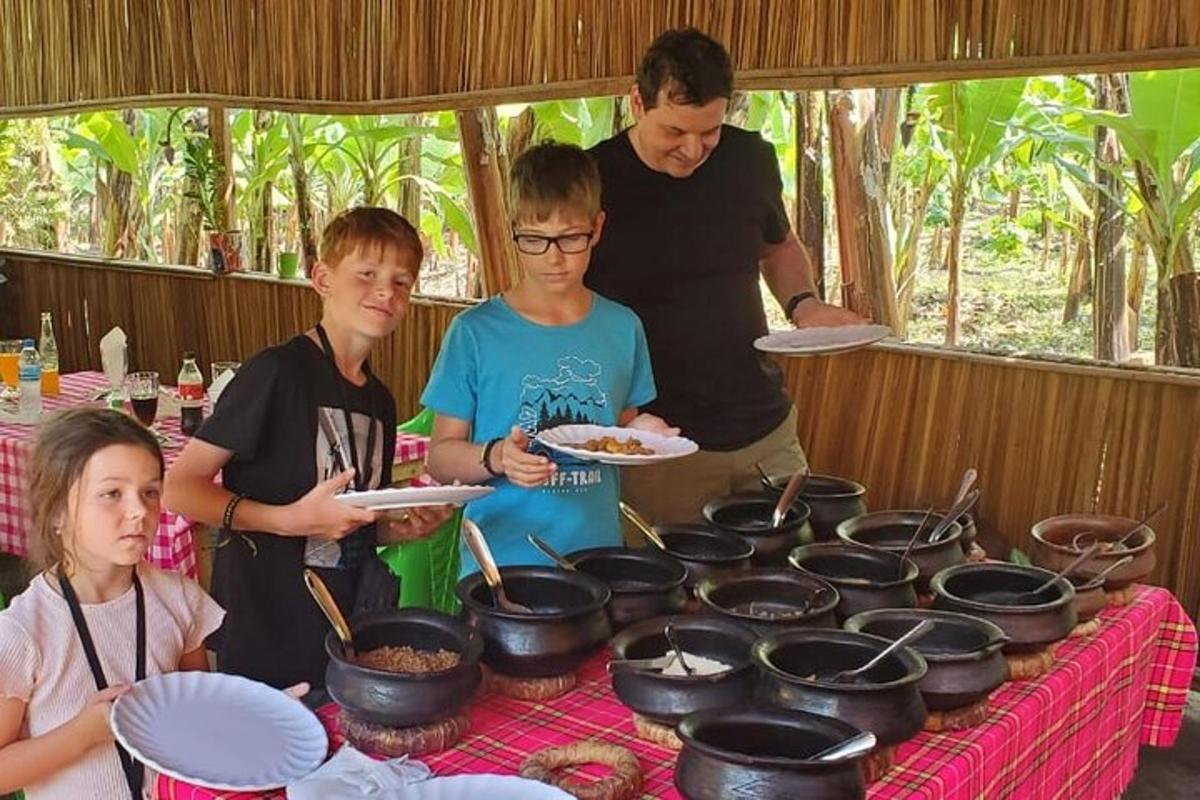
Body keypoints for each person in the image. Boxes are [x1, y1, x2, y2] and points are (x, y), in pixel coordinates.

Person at [586, 28, 866, 527]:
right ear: (636, 102)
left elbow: (777, 244)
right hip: (658, 443)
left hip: (765, 429)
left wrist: (804, 304)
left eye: (708, 131)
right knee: (675, 592)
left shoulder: (748, 160)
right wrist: (622, 418)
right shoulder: (592, 181)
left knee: (790, 576)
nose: (693, 149)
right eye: (674, 131)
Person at [164, 207, 450, 690]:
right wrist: (287, 520)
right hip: (266, 627)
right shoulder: (276, 373)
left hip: (347, 626)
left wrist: (401, 529)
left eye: (402, 282)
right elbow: (179, 489)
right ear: (322, 278)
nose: (386, 291)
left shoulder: (380, 400)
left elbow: (348, 526)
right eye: (367, 274)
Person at [423, 142, 675, 572]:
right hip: (500, 564)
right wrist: (497, 456)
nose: (553, 257)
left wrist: (648, 433)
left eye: (571, 238)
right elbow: (441, 459)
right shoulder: (475, 332)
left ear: (597, 228)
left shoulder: (623, 327)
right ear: (513, 231)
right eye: (535, 240)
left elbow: (623, 425)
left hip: (598, 558)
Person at [0, 409, 224, 799]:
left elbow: (198, 710)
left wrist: (254, 715)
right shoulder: (23, 632)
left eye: (150, 492)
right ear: (56, 511)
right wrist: (84, 734)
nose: (139, 510)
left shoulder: (180, 600)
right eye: (111, 494)